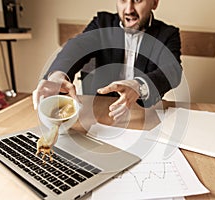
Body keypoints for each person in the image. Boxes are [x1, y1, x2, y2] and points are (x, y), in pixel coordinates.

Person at [33, 0, 182, 121]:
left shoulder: (168, 34)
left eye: (137, 0)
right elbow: (77, 46)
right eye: (123, 0)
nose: (129, 9)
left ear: (154, 3)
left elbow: (172, 70)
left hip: (143, 115)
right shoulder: (101, 23)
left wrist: (139, 85)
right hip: (98, 115)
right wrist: (57, 74)